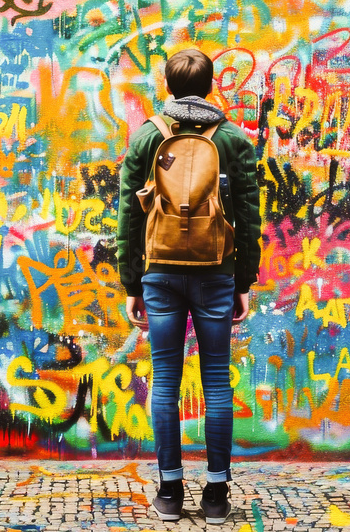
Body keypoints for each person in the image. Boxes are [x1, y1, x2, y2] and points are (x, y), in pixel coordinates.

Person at [115, 48, 262, 524]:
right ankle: (217, 497)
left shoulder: (147, 138)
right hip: (216, 270)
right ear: (212, 83)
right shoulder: (233, 139)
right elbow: (248, 216)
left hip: (160, 272)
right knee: (217, 383)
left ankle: (170, 492)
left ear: (168, 86)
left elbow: (127, 213)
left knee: (166, 381)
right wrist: (243, 280)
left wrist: (131, 280)